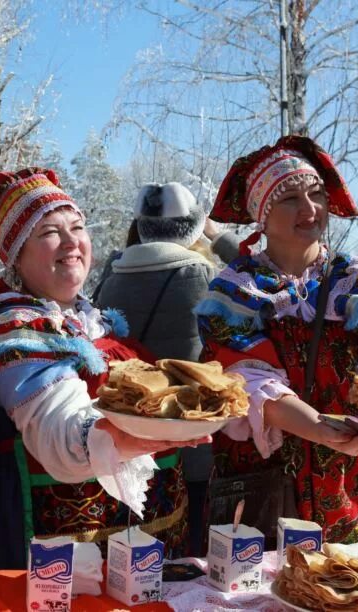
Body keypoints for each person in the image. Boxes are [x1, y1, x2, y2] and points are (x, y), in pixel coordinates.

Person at [194, 135, 358, 545]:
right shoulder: (234, 292)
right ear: (261, 214)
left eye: (316, 193)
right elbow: (247, 382)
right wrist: (317, 427)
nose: (310, 208)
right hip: (270, 475)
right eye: (290, 198)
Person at [0, 167, 206, 571]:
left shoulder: (94, 319)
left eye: (78, 226)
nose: (72, 241)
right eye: (49, 232)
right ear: (16, 253)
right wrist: (126, 435)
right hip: (45, 534)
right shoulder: (17, 329)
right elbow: (58, 427)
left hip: (125, 533)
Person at [95, 181, 239, 555]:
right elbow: (257, 274)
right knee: (186, 553)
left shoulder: (111, 275)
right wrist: (218, 235)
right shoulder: (203, 277)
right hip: (188, 442)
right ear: (193, 226)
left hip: (125, 436)